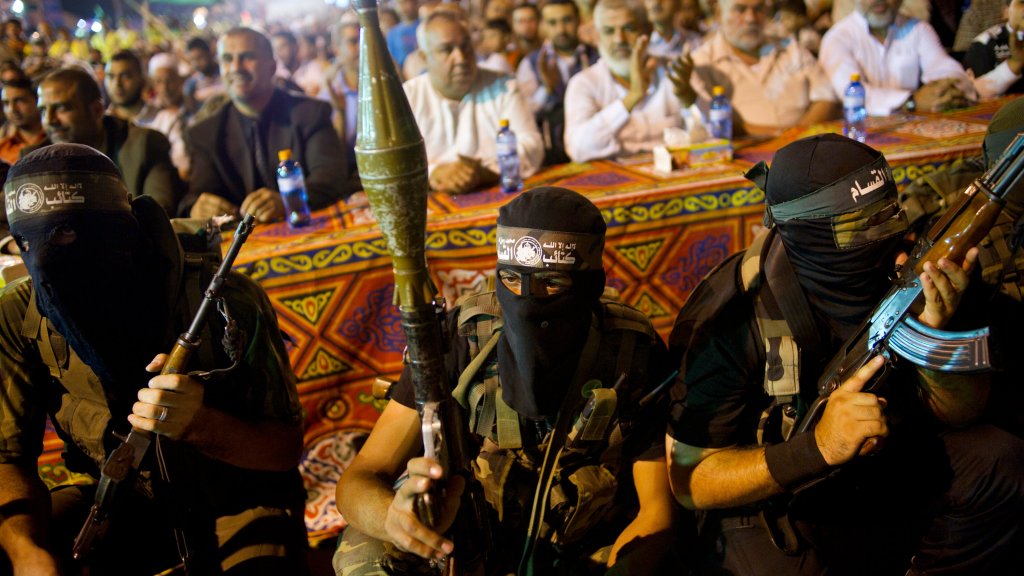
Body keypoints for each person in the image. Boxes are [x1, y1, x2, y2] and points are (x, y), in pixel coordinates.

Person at [665, 133, 1024, 574]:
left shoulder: (921, 273)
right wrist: (817, 447)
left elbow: (964, 412)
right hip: (780, 493)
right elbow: (692, 480)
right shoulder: (731, 314)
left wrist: (934, 337)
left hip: (883, 461)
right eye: (860, 225)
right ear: (808, 233)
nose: (888, 235)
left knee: (997, 462)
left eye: (890, 212)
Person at [334, 187, 678, 575]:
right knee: (363, 552)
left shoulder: (630, 351)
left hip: (584, 547)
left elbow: (656, 513)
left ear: (591, 286)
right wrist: (395, 519)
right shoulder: (465, 338)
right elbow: (360, 478)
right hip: (469, 541)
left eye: (552, 284)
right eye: (511, 280)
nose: (527, 301)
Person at [0, 143, 309, 575]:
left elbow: (284, 450)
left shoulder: (226, 300)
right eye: (25, 242)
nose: (45, 258)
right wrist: (27, 554)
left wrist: (201, 424)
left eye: (66, 232)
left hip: (236, 500)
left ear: (118, 230)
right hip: (119, 503)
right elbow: (8, 458)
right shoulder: (20, 312)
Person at [183, 27, 347, 223]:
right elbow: (195, 196)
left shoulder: (310, 114)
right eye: (227, 59)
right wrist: (198, 207)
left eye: (247, 57)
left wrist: (287, 201)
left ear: (272, 67)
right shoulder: (206, 133)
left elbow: (331, 179)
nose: (236, 67)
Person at [403, 11, 543, 195]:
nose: (461, 58)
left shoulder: (504, 86)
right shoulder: (408, 97)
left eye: (466, 46)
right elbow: (394, 161)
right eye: (447, 50)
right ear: (424, 57)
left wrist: (485, 171)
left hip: (499, 197)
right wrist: (433, 173)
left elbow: (532, 147)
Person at [32, 67, 184, 218]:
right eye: (43, 111)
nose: (49, 120)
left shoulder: (144, 144)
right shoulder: (34, 162)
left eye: (61, 108)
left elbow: (157, 216)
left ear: (97, 110)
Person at [676, 0, 838, 138]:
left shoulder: (791, 49)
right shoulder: (701, 62)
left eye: (759, 9)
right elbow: (713, 121)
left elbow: (826, 98)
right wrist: (780, 138)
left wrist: (796, 137)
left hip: (803, 148)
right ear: (719, 13)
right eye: (740, 9)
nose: (751, 18)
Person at [563, 0, 687, 162]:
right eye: (608, 31)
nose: (619, 39)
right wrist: (632, 97)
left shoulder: (673, 72)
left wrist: (688, 98)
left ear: (648, 31)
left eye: (629, 29)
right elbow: (578, 149)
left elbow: (708, 135)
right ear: (597, 36)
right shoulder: (583, 84)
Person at [819, 0, 975, 115]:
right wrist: (912, 101)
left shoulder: (918, 29)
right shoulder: (837, 38)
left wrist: (945, 90)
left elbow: (943, 66)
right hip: (859, 138)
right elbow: (852, 94)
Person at [517, 0, 600, 165]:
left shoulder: (597, 57)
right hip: (551, 156)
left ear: (578, 20)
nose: (561, 29)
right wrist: (546, 89)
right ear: (543, 26)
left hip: (592, 147)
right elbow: (523, 114)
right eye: (553, 23)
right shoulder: (531, 63)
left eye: (567, 20)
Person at [963, 0, 1024, 98]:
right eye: (1022, 2)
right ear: (1006, 11)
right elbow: (974, 95)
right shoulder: (986, 43)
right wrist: (1015, 64)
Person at [0, 78, 45, 165]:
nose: (12, 109)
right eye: (6, 103)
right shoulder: (2, 148)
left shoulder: (58, 137)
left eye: (19, 101)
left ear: (37, 101)